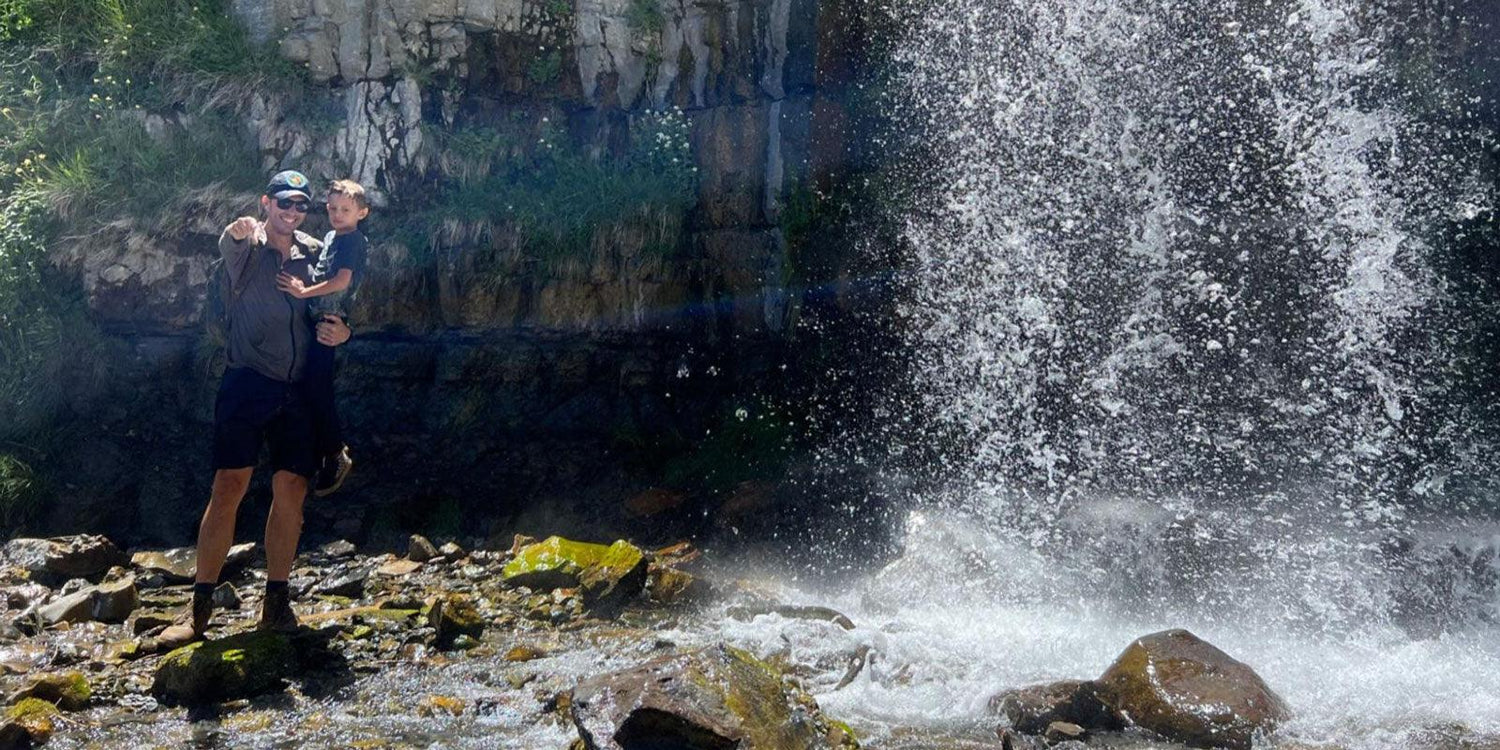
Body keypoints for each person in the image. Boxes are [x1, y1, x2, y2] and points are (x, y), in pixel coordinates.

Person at [160, 170, 352, 644]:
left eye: (301, 205)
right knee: (229, 485)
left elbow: (337, 302)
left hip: (297, 390)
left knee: (292, 490)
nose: (292, 212)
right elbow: (229, 241)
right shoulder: (248, 247)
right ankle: (198, 609)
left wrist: (345, 330)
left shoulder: (316, 252)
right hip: (247, 382)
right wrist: (237, 229)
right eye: (284, 203)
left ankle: (276, 605)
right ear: (266, 203)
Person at [276, 178, 369, 497]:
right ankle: (319, 451)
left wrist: (303, 292)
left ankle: (334, 452)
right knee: (308, 388)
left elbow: (342, 281)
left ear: (362, 213)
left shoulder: (352, 241)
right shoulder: (331, 237)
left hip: (330, 321)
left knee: (318, 388)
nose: (337, 215)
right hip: (316, 319)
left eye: (346, 210)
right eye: (332, 208)